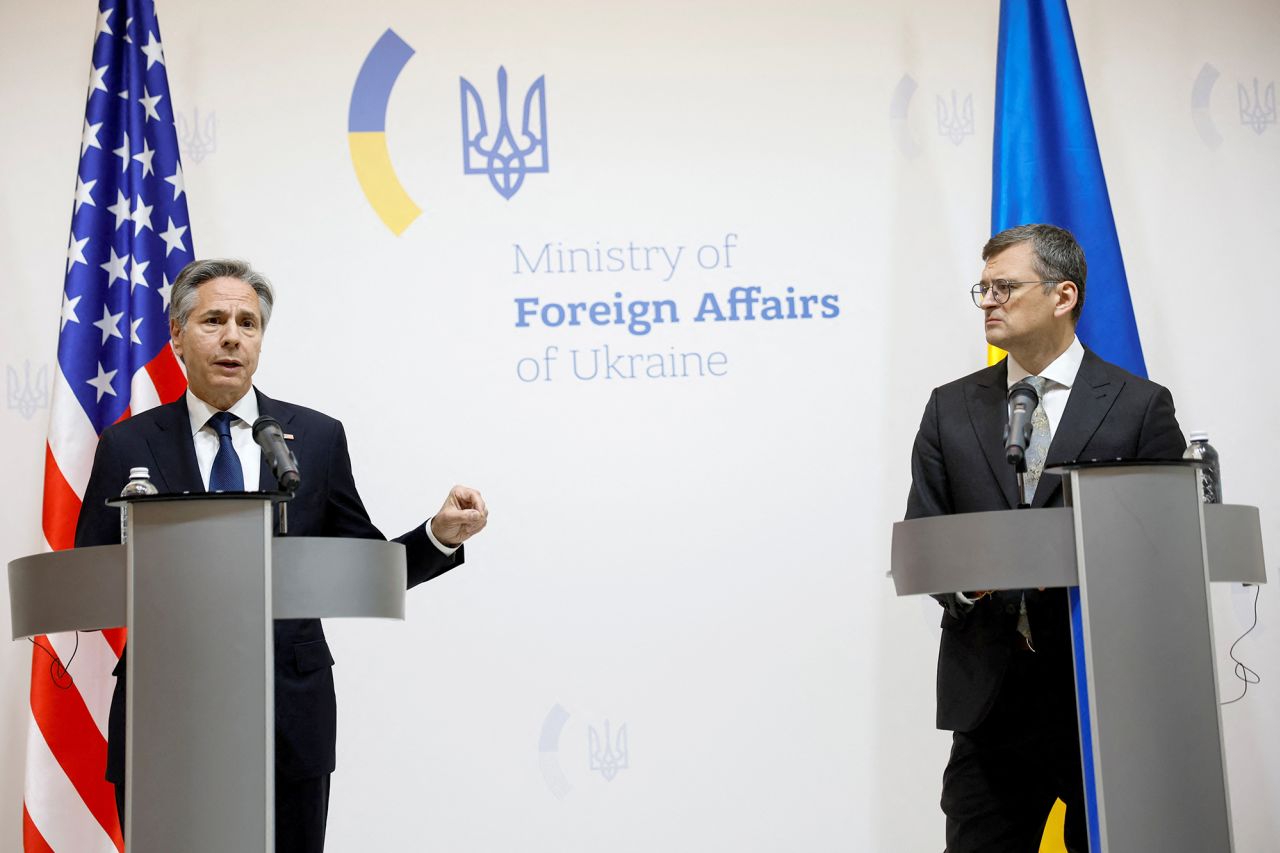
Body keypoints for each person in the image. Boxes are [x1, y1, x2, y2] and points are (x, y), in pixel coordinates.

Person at [74, 258, 489, 853]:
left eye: (248, 323)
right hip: (162, 713)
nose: (232, 336)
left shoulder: (313, 438)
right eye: (213, 320)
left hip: (287, 713)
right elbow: (89, 576)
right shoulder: (128, 444)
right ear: (177, 337)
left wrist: (438, 535)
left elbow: (364, 567)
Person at [904, 224, 1184, 852]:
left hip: (1106, 699)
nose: (989, 302)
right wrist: (971, 585)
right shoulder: (950, 408)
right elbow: (927, 532)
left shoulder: (1139, 406)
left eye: (1004, 286)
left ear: (1063, 296)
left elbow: (1168, 551)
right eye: (982, 289)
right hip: (991, 702)